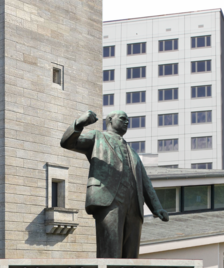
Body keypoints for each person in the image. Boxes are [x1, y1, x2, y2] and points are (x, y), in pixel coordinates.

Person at [60, 110, 168, 258]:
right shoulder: (98, 137)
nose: (127, 122)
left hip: (134, 206)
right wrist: (80, 123)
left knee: (132, 256)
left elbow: (145, 182)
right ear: (110, 120)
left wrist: (157, 207)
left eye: (128, 120)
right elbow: (68, 142)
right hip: (108, 199)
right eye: (123, 118)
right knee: (110, 252)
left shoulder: (133, 152)